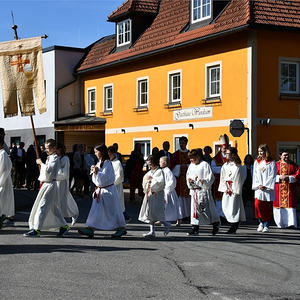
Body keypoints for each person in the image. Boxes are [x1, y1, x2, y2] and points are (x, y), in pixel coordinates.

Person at [78, 144, 126, 238]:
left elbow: (105, 179)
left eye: (96, 151)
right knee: (95, 210)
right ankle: (90, 228)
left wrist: (96, 172)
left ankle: (121, 228)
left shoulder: (107, 163)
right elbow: (97, 179)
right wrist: (94, 171)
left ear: (102, 152)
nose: (95, 153)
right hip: (101, 191)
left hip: (108, 191)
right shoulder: (99, 162)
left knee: (112, 211)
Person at [24, 139, 69, 237]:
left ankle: (37, 230)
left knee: (42, 206)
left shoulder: (55, 158)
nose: (45, 150)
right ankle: (64, 225)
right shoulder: (50, 157)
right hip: (47, 184)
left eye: (47, 148)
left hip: (50, 185)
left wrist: (41, 164)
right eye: (45, 148)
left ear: (53, 148)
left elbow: (49, 172)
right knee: (53, 208)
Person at [186, 149, 220, 236]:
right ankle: (195, 228)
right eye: (190, 159)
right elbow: (188, 175)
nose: (191, 160)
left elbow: (210, 177)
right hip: (194, 191)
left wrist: (204, 181)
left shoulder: (204, 164)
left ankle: (215, 224)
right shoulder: (191, 165)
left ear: (198, 157)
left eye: (192, 158)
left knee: (204, 210)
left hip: (202, 191)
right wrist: (189, 180)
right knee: (195, 210)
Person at [138, 155, 171, 238]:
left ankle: (166, 224)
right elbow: (144, 181)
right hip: (149, 194)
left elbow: (161, 183)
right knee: (149, 212)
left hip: (156, 194)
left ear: (155, 163)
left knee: (157, 212)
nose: (149, 166)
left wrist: (151, 181)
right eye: (148, 164)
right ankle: (152, 231)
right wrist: (147, 183)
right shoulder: (149, 172)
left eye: (150, 164)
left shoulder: (159, 171)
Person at [218, 147, 246, 234]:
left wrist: (234, 189)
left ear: (233, 154)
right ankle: (232, 224)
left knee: (234, 208)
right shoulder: (225, 166)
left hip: (234, 190)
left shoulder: (238, 166)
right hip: (227, 189)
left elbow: (240, 178)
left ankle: (234, 226)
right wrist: (225, 188)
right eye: (226, 153)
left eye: (228, 153)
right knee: (226, 207)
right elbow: (222, 178)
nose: (226, 155)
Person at [252, 144, 276, 233]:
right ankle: (260, 222)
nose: (260, 153)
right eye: (259, 151)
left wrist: (265, 185)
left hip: (267, 189)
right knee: (257, 205)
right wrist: (258, 185)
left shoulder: (271, 162)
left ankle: (266, 225)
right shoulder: (257, 162)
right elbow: (254, 175)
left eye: (261, 151)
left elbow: (272, 175)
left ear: (266, 151)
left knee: (267, 207)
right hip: (259, 188)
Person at [273, 150, 300, 228]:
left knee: (290, 205)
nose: (286, 157)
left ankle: (291, 223)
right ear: (280, 156)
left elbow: (298, 175)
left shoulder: (294, 165)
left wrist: (289, 178)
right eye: (284, 155)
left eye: (287, 155)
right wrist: (279, 177)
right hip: (278, 188)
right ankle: (280, 223)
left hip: (290, 189)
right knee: (278, 206)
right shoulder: (275, 165)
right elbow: (270, 175)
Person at [56, 144, 79, 226]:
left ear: (61, 150)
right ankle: (60, 219)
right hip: (56, 182)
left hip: (62, 182)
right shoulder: (56, 158)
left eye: (57, 149)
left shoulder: (65, 159)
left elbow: (64, 172)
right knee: (58, 201)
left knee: (64, 200)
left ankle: (74, 213)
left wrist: (56, 173)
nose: (55, 151)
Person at [108, 145, 131, 222]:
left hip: (115, 186)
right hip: (109, 186)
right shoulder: (108, 162)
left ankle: (123, 219)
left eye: (109, 154)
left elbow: (119, 176)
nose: (108, 156)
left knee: (118, 204)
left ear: (114, 154)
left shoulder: (117, 163)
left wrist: (111, 184)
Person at [170, 136, 190, 224]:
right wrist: (180, 167)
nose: (181, 144)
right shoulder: (175, 154)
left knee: (188, 198)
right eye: (180, 143)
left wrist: (187, 167)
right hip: (179, 179)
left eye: (183, 143)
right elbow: (172, 167)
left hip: (189, 179)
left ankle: (188, 215)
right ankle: (181, 215)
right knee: (180, 198)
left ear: (186, 143)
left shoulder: (190, 153)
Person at [211, 134, 230, 221]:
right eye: (224, 147)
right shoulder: (215, 159)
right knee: (219, 200)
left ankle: (227, 215)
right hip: (219, 181)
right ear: (221, 148)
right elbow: (213, 169)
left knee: (228, 199)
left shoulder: (231, 157)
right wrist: (223, 168)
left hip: (229, 181)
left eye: (226, 147)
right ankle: (220, 215)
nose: (225, 149)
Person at [159, 156, 182, 223]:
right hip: (164, 190)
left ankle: (179, 219)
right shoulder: (162, 171)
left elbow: (172, 181)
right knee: (163, 206)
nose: (159, 163)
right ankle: (161, 219)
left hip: (169, 192)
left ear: (165, 163)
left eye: (160, 162)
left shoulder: (168, 171)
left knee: (174, 205)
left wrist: (167, 189)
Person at [0, 136, 14, 229]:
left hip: (2, 182)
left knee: (2, 202)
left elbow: (4, 170)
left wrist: (0, 182)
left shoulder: (3, 154)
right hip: (2, 181)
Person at [242, 154, 255, 218]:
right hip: (245, 185)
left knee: (253, 201)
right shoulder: (243, 167)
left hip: (252, 185)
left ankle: (254, 215)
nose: (248, 160)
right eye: (247, 159)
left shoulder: (254, 167)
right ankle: (243, 215)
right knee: (244, 201)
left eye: (249, 159)